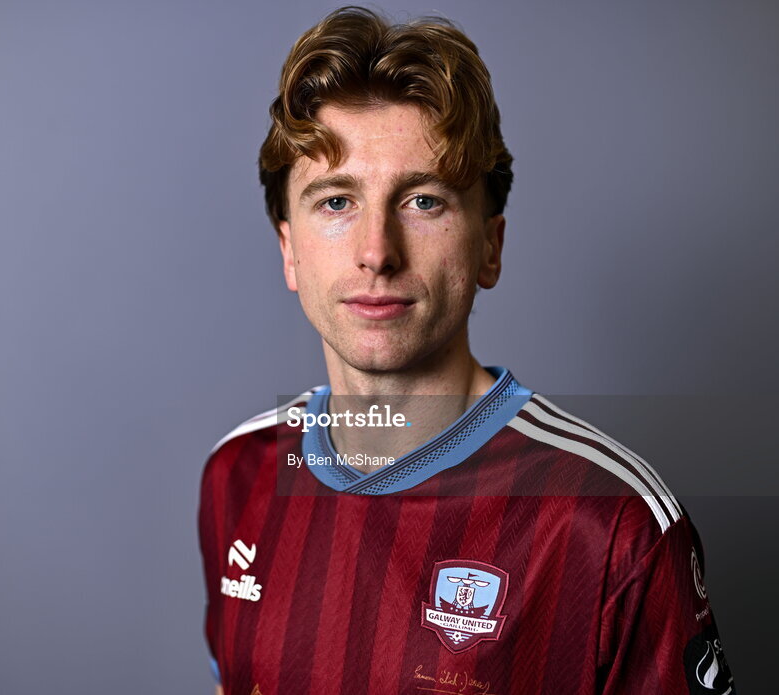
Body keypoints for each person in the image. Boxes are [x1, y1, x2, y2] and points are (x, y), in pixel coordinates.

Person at [198, 6, 735, 694]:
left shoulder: (612, 523)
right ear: (289, 250)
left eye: (423, 201)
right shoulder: (235, 476)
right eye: (336, 202)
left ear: (490, 245)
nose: (376, 253)